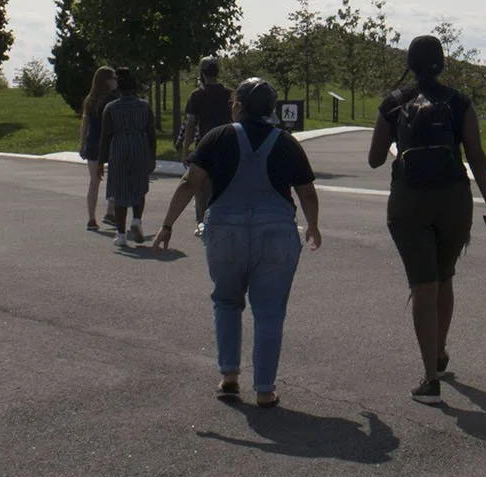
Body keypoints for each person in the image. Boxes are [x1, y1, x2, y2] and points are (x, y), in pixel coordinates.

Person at [153, 77, 322, 408]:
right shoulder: (287, 143)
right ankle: (264, 389)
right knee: (269, 312)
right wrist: (313, 226)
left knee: (227, 302)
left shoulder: (217, 137)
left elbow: (191, 183)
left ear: (239, 106)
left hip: (225, 232)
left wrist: (167, 225)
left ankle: (229, 377)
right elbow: (306, 191)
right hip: (275, 233)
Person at [368, 34, 486, 405]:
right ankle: (440, 350)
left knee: (422, 286)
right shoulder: (459, 103)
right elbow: (476, 156)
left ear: (410, 64)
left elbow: (375, 159)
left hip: (408, 203)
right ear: (442, 63)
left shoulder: (394, 104)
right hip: (454, 202)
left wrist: (401, 141)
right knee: (444, 278)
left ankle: (430, 379)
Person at [101, 66, 158, 248]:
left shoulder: (111, 108)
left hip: (119, 148)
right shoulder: (144, 106)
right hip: (140, 146)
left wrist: (101, 160)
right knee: (139, 187)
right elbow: (151, 133)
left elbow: (106, 135)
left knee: (119, 191)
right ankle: (136, 221)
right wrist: (152, 156)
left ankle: (120, 234)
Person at [180, 56, 234, 237]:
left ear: (202, 73)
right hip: (226, 143)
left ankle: (202, 222)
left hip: (204, 144)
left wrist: (186, 148)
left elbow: (190, 124)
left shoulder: (197, 95)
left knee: (201, 187)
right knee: (221, 184)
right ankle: (221, 219)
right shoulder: (229, 94)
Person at [78, 66, 117, 232]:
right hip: (110, 143)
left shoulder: (90, 100)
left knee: (94, 181)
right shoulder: (112, 100)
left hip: (93, 142)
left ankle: (91, 218)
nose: (116, 81)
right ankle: (111, 211)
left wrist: (82, 144)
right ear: (106, 80)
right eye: (114, 78)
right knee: (115, 177)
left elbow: (85, 124)